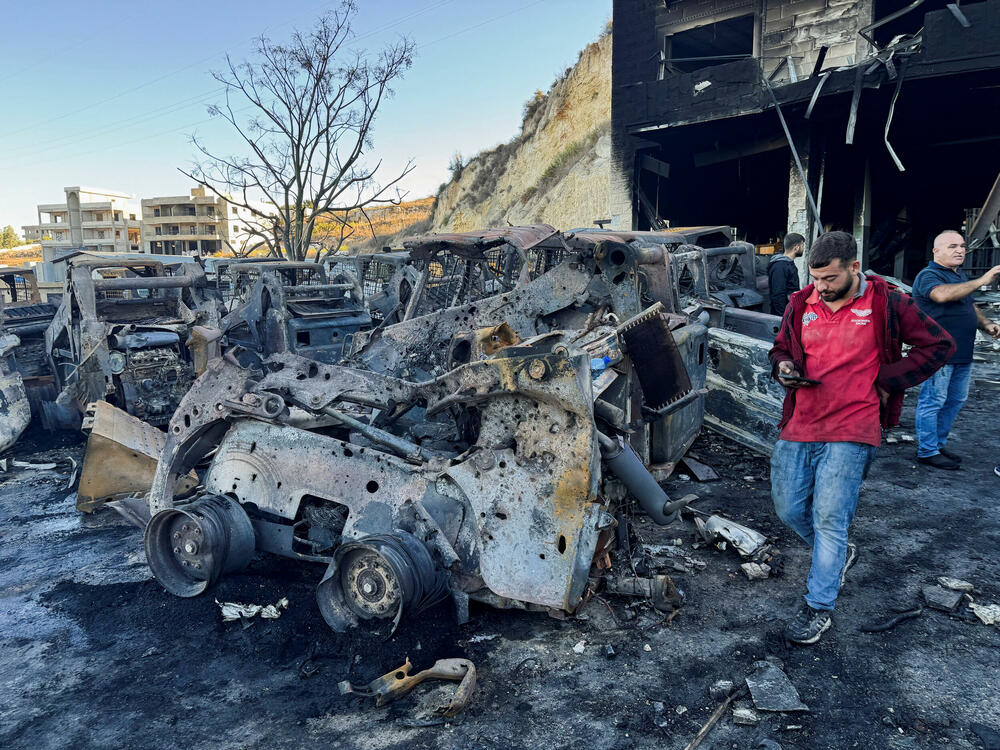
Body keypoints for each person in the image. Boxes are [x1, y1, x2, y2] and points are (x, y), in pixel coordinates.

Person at [768, 231, 954, 645]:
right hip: (802, 420)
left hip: (855, 424)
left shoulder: (888, 301)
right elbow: (780, 348)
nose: (821, 287)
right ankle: (835, 559)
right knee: (788, 509)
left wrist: (887, 379)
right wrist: (783, 368)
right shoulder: (801, 304)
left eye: (830, 279)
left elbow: (939, 345)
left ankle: (818, 606)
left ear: (855, 268)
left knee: (831, 518)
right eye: (815, 278)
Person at [911, 230, 1000, 469]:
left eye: (961, 246)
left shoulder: (958, 276)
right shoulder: (928, 275)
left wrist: (987, 324)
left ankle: (936, 444)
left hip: (962, 352)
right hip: (938, 352)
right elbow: (940, 296)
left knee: (955, 400)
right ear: (936, 251)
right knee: (934, 400)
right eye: (952, 246)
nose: (960, 250)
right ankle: (927, 450)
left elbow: (968, 305)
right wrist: (982, 281)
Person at [768, 232, 805, 317]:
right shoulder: (780, 266)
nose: (803, 248)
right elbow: (778, 295)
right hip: (782, 316)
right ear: (796, 248)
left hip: (791, 312)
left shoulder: (788, 264)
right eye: (802, 246)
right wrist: (784, 318)